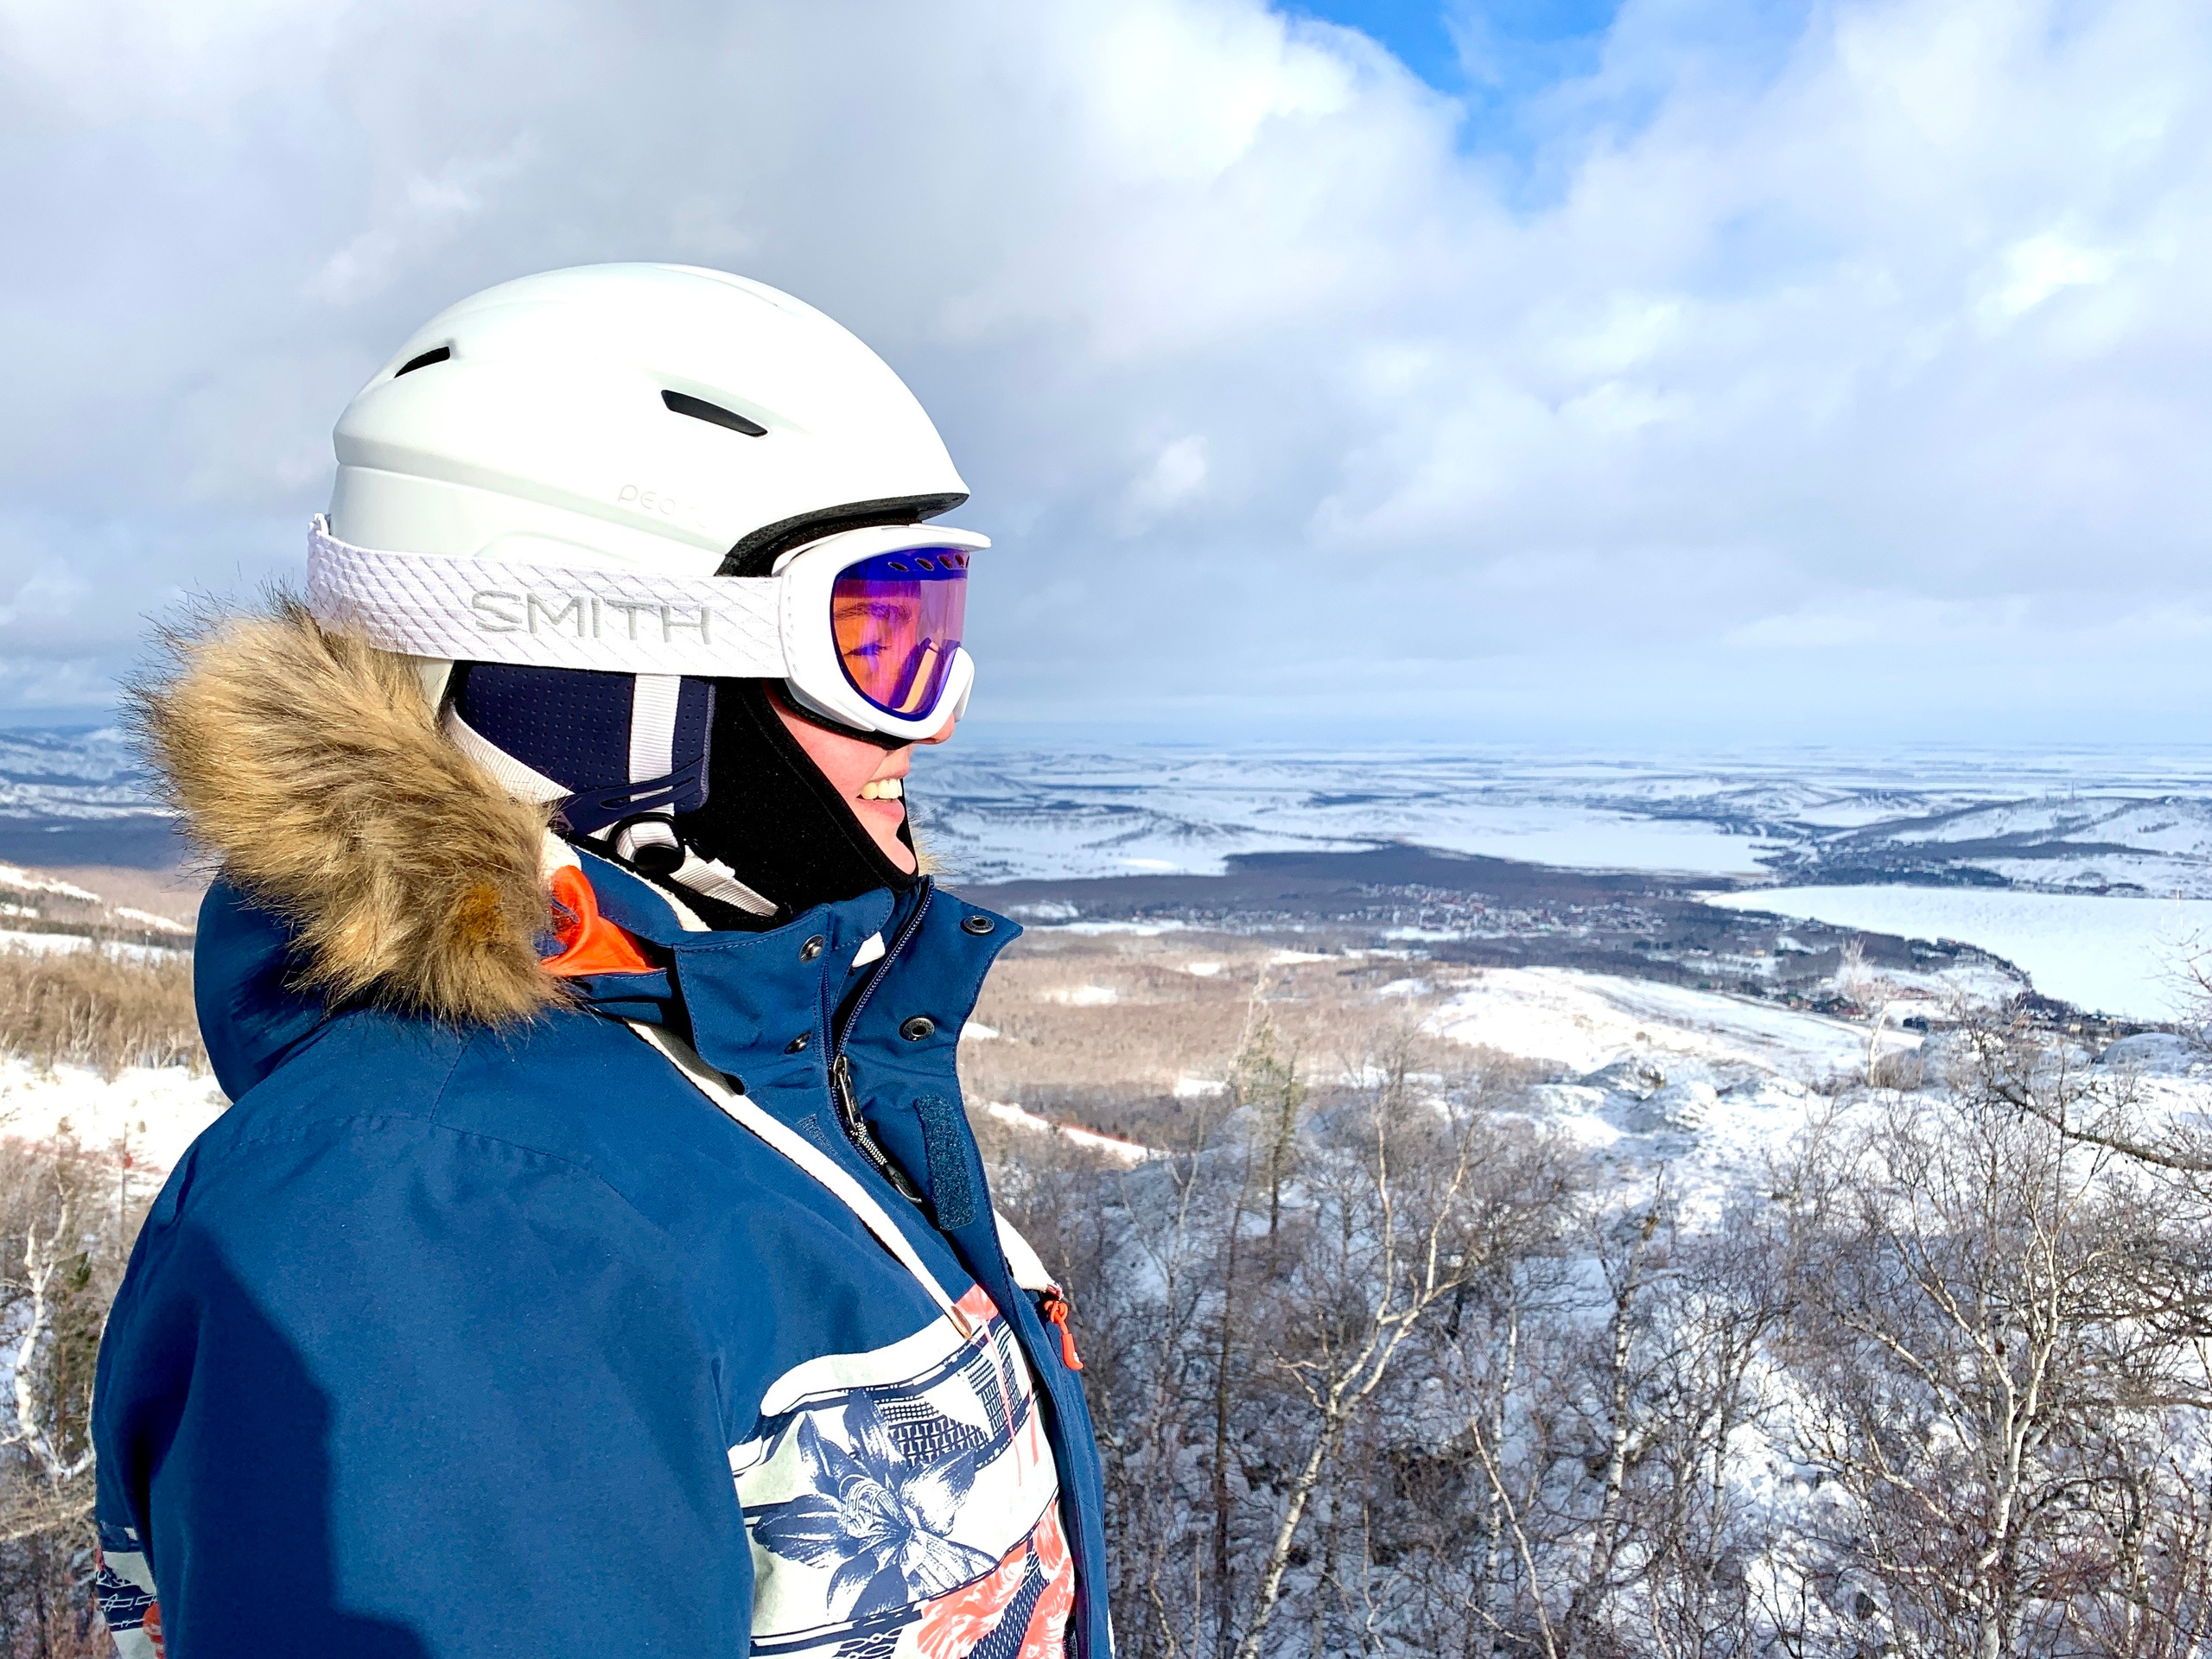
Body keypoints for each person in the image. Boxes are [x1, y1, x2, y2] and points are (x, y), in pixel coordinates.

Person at [90, 264, 1109, 1659]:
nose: (923, 727)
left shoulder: (729, 1067)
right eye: (879, 637)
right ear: (602, 686)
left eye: (933, 626)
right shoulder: (433, 1216)